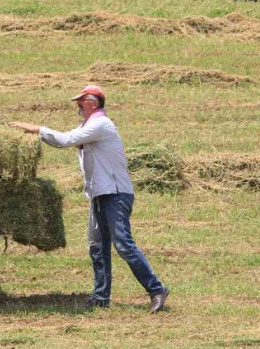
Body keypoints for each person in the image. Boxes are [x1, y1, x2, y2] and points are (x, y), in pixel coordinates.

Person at [10, 85, 170, 312]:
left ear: (93, 103)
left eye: (81, 101)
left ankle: (156, 289)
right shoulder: (90, 126)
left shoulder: (100, 124)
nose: (78, 106)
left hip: (115, 194)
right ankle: (101, 296)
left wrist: (36, 129)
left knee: (123, 244)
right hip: (99, 195)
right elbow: (65, 139)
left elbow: (65, 140)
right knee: (97, 246)